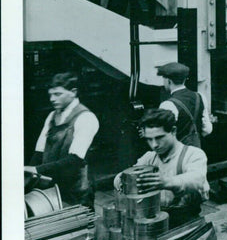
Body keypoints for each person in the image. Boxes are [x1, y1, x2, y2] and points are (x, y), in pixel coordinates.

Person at [115, 109, 209, 227]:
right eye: (149, 139)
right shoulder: (149, 158)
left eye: (159, 137)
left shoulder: (193, 154)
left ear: (173, 131)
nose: (154, 144)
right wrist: (123, 181)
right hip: (156, 221)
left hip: (187, 223)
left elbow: (197, 179)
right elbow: (123, 176)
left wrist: (167, 182)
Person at [26, 72, 99, 207]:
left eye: (58, 94)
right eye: (50, 95)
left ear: (73, 92)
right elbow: (39, 151)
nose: (52, 99)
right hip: (52, 188)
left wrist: (36, 170)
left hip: (77, 191)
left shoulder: (86, 118)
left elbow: (74, 160)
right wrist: (28, 176)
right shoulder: (52, 116)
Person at [157, 62, 212, 149]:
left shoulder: (167, 104)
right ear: (184, 79)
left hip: (176, 153)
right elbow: (207, 130)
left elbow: (162, 136)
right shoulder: (200, 96)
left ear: (168, 81)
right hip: (195, 150)